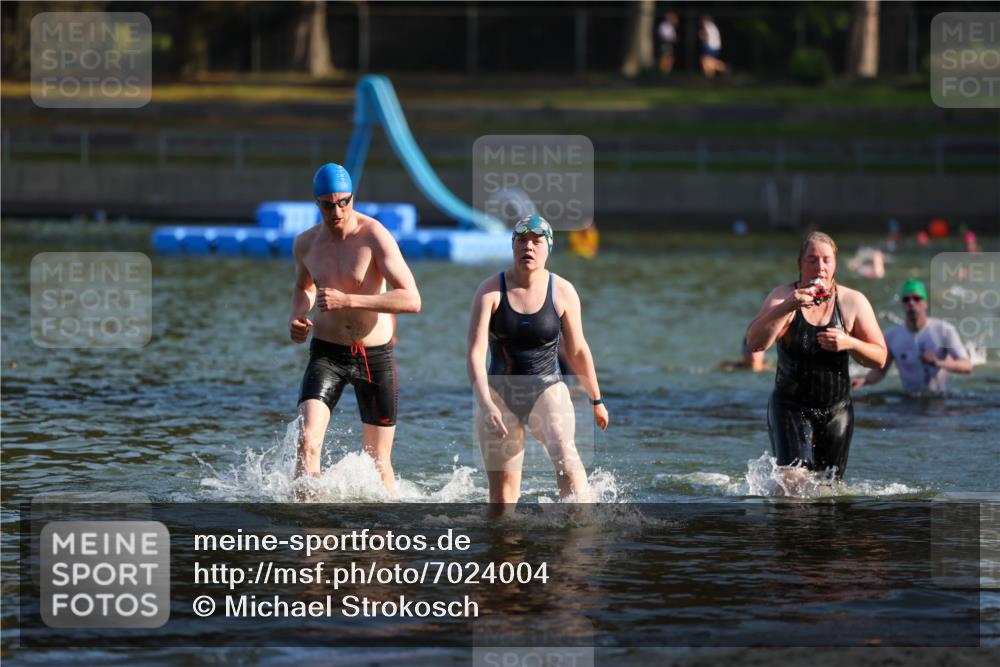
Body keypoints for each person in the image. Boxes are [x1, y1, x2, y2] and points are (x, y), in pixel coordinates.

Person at [289, 163, 421, 494]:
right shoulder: (305, 244)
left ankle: (389, 522)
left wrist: (349, 299)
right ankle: (306, 519)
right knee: (307, 441)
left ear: (352, 197)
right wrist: (297, 315)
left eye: (343, 202)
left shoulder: (374, 236)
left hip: (373, 357)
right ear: (316, 203)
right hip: (326, 354)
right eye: (327, 205)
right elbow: (303, 286)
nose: (337, 211)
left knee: (378, 461)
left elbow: (412, 299)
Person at [467, 214, 609, 512]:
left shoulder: (563, 291)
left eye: (536, 242)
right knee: (502, 504)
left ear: (549, 247)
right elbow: (476, 353)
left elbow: (578, 350)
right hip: (499, 394)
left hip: (547, 387)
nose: (528, 247)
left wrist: (596, 399)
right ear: (512, 246)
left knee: (565, 454)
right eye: (521, 241)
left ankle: (582, 526)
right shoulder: (490, 291)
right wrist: (486, 403)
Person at [746, 231, 886, 481]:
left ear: (835, 265)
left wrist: (849, 343)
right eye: (812, 260)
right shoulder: (782, 296)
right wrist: (788, 306)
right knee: (794, 482)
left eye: (826, 260)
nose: (820, 267)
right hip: (791, 407)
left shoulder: (853, 302)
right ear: (800, 265)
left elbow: (880, 358)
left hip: (836, 410)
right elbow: (754, 343)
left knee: (826, 489)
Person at [852, 279, 972, 393]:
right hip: (909, 399)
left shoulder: (944, 331)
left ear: (925, 303)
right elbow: (880, 372)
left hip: (939, 398)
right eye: (906, 299)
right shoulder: (892, 337)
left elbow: (967, 366)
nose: (911, 303)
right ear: (902, 304)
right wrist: (864, 380)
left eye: (917, 298)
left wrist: (937, 363)